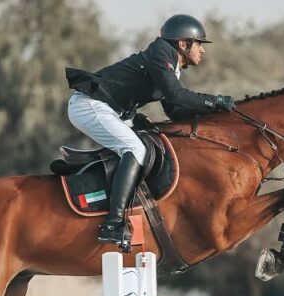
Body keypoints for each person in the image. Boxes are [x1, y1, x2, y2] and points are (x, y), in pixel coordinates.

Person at [65, 14, 238, 248]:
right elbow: (177, 95)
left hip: (109, 110)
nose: (203, 51)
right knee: (135, 148)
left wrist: (213, 119)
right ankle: (113, 224)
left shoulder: (170, 64)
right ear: (183, 44)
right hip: (90, 106)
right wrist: (213, 101)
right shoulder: (161, 53)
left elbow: (175, 109)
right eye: (200, 44)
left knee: (147, 144)